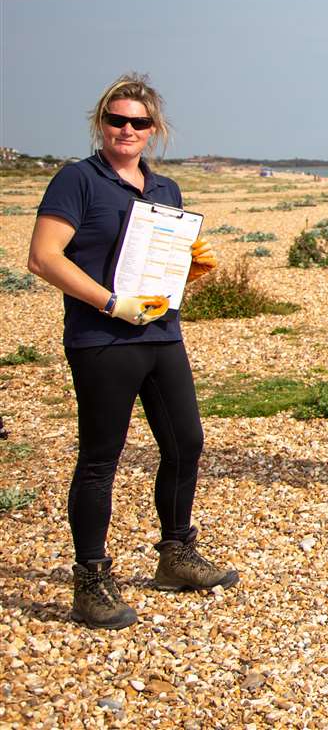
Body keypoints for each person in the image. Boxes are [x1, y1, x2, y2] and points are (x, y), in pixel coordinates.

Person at [27, 74, 238, 629]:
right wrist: (109, 303)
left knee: (185, 442)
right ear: (101, 124)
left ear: (154, 130)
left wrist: (187, 273)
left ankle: (176, 555)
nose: (127, 129)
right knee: (101, 458)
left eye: (138, 122)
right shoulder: (77, 179)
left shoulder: (165, 190)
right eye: (117, 120)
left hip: (161, 335)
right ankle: (91, 580)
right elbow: (44, 257)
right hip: (101, 338)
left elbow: (159, 274)